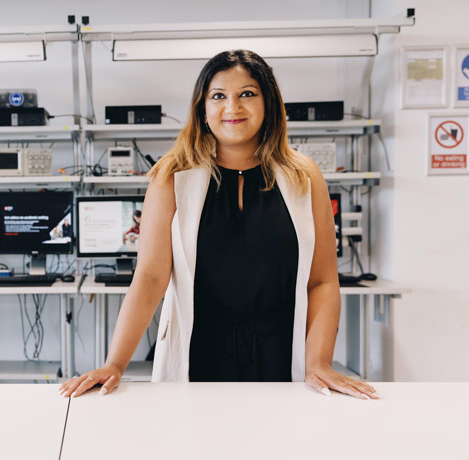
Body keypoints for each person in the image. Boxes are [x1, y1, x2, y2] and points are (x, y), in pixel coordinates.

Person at [60, 49, 379, 401]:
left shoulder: (304, 176)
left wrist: (318, 362)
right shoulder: (172, 177)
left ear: (269, 103)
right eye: (218, 96)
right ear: (203, 109)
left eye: (247, 94)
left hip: (282, 354)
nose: (233, 107)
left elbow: (322, 281)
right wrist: (114, 364)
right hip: (198, 356)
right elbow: (150, 277)